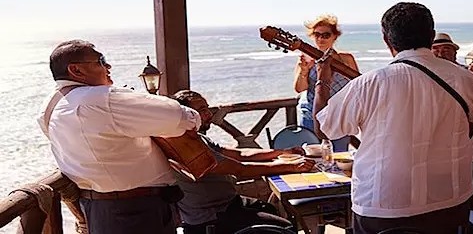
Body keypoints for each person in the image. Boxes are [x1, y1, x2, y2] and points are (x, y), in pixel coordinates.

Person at [315, 2, 473, 234]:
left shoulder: (369, 84)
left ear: (387, 40)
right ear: (431, 36)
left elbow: (325, 129)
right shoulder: (463, 79)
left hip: (381, 204)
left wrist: (321, 81)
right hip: (448, 202)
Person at [37, 40, 202, 234]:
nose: (108, 66)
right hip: (137, 211)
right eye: (101, 60)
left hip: (95, 209)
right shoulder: (100, 98)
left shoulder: (48, 108)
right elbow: (182, 118)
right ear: (76, 70)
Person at [170, 90, 313, 234]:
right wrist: (291, 166)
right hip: (212, 216)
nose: (209, 114)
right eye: (201, 110)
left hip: (229, 202)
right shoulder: (186, 147)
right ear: (187, 114)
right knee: (285, 228)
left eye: (207, 108)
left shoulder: (198, 137)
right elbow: (240, 169)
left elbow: (240, 154)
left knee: (270, 209)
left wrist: (280, 152)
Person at [432, 32, 473, 211]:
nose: (441, 54)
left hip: (468, 152)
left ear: (455, 54)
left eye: (446, 50)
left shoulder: (466, 75)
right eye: (436, 50)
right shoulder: (424, 77)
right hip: (438, 155)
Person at [293, 14, 359, 151]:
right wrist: (304, 71)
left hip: (339, 115)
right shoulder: (306, 59)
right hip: (311, 114)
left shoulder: (346, 59)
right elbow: (300, 89)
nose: (320, 39)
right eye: (317, 34)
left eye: (325, 35)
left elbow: (357, 85)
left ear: (335, 36)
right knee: (311, 156)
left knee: (340, 155)